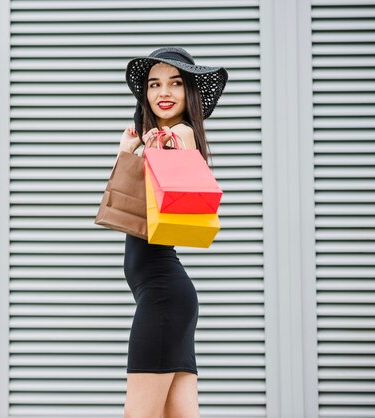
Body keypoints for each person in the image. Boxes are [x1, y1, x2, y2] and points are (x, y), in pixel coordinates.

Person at [118, 47, 228, 418]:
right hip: (171, 299)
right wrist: (130, 152)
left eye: (175, 83)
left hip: (162, 298)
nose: (163, 92)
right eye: (154, 84)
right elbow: (128, 213)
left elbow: (183, 150)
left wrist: (157, 151)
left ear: (189, 93)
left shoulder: (179, 133)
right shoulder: (157, 138)